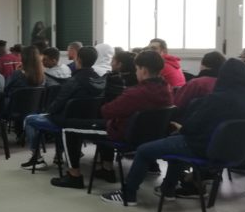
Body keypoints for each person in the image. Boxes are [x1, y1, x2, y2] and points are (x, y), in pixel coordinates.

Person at [101, 58, 245, 206]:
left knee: (145, 150)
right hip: (237, 154)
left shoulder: (216, 99)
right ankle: (167, 189)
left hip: (204, 148)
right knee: (176, 143)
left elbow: (191, 127)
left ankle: (128, 194)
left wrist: (181, 128)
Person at [52, 50, 173, 188]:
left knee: (68, 129)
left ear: (144, 70)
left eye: (137, 69)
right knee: (103, 124)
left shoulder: (136, 93)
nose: (136, 72)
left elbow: (107, 111)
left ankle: (74, 176)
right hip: (147, 135)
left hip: (124, 133)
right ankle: (106, 169)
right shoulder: (166, 88)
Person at [21, 46, 105, 171]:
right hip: (90, 121)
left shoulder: (74, 81)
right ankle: (58, 155)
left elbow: (57, 105)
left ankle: (37, 158)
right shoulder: (100, 80)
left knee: (29, 119)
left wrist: (48, 112)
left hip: (68, 121)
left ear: (78, 59)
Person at [173, 51, 226, 118]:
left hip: (193, 120)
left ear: (202, 65)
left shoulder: (196, 83)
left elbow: (178, 104)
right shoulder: (226, 83)